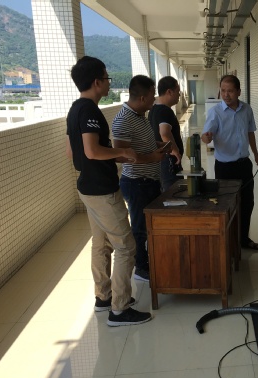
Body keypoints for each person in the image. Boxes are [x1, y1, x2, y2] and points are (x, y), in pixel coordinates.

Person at [66, 56, 152, 326]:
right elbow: (92, 150)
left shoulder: (75, 109)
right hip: (102, 190)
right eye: (106, 78)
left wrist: (112, 156)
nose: (108, 83)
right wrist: (123, 152)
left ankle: (104, 297)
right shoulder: (90, 111)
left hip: (87, 187)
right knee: (126, 246)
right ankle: (120, 309)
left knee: (101, 243)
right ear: (97, 82)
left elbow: (73, 152)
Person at [112, 75, 175, 282]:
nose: (154, 99)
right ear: (141, 98)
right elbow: (121, 156)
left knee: (150, 225)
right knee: (139, 228)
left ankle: (150, 260)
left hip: (149, 181)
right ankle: (140, 267)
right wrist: (152, 158)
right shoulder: (123, 119)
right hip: (136, 183)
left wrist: (159, 146)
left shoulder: (140, 116)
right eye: (151, 95)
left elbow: (143, 142)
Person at [201, 74, 258, 250]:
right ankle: (228, 242)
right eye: (223, 91)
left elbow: (250, 133)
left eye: (230, 91)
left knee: (247, 203)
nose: (226, 95)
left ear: (238, 92)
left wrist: (256, 155)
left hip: (244, 164)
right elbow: (206, 135)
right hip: (225, 167)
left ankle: (243, 239)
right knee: (226, 204)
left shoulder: (246, 109)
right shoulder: (215, 112)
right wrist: (207, 138)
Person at [148, 76, 184, 192]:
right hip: (169, 162)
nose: (179, 95)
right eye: (178, 91)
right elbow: (164, 133)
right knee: (174, 193)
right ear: (169, 92)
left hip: (160, 161)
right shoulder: (165, 111)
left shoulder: (153, 109)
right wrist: (175, 151)